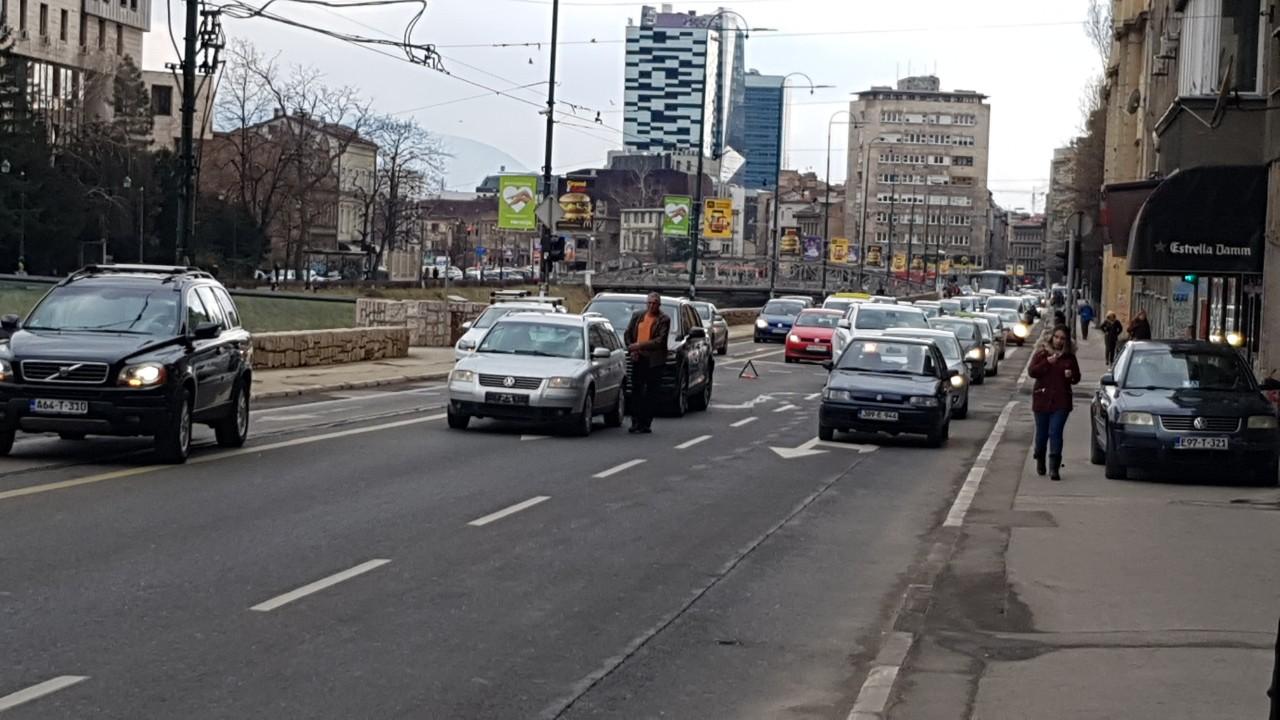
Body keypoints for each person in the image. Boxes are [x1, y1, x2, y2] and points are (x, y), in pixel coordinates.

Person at [1028, 325, 1082, 481]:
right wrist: (1047, 362)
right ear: (1051, 337)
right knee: (1042, 433)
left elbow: (1077, 377)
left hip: (1061, 401)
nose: (1059, 341)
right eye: (1057, 337)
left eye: (1062, 338)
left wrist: (1070, 375)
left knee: (1055, 432)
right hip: (1042, 399)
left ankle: (1054, 468)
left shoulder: (1069, 357)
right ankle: (1040, 458)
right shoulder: (1042, 353)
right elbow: (1032, 372)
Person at [624, 292, 671, 434]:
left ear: (659, 304)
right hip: (638, 359)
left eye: (654, 303)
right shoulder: (638, 316)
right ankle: (635, 421)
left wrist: (640, 346)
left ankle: (646, 423)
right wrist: (632, 349)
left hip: (654, 361)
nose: (651, 305)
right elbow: (628, 334)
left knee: (651, 393)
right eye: (649, 303)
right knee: (636, 391)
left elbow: (660, 341)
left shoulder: (664, 319)